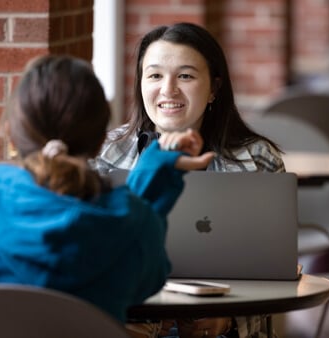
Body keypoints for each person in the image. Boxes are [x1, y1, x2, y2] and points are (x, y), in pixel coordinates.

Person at [0, 55, 214, 323]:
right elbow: (149, 273)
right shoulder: (131, 230)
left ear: (10, 134)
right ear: (100, 141)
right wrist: (154, 178)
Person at [95, 22, 285, 338]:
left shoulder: (258, 159)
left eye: (185, 76)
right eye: (154, 75)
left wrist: (231, 320)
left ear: (214, 88)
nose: (168, 90)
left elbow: (276, 273)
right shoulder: (103, 154)